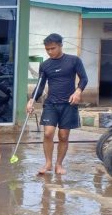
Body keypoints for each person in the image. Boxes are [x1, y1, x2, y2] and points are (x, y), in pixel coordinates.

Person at [27, 33, 88, 175]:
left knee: (63, 136)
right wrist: (31, 101)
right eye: (47, 49)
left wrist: (78, 91)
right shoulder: (45, 65)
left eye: (52, 48)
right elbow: (40, 85)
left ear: (60, 45)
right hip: (51, 104)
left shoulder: (73, 61)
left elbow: (84, 78)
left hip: (69, 104)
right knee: (48, 133)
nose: (49, 52)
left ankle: (59, 164)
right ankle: (48, 163)